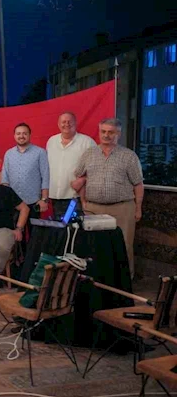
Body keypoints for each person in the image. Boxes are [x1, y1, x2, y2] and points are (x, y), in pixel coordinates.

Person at [73, 118, 144, 278]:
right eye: (103, 131)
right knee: (95, 244)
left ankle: (125, 280)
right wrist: (83, 202)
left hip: (123, 209)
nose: (106, 135)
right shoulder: (88, 154)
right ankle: (97, 280)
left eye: (110, 132)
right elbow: (80, 178)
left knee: (124, 245)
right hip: (93, 208)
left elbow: (138, 184)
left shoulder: (129, 156)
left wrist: (138, 208)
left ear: (118, 134)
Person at [46, 112, 95, 218]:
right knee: (59, 227)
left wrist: (84, 179)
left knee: (76, 227)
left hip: (76, 197)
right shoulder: (51, 141)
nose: (66, 124)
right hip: (55, 197)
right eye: (63, 122)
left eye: (70, 121)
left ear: (75, 123)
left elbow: (97, 169)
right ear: (58, 124)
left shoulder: (87, 142)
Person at [1, 123, 50, 218]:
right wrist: (6, 199)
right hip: (13, 203)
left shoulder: (40, 152)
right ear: (14, 136)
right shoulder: (9, 154)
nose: (21, 136)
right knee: (14, 228)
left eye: (24, 133)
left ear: (29, 135)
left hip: (34, 202)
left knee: (34, 228)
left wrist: (44, 199)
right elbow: (5, 178)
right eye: (18, 133)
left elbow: (45, 176)